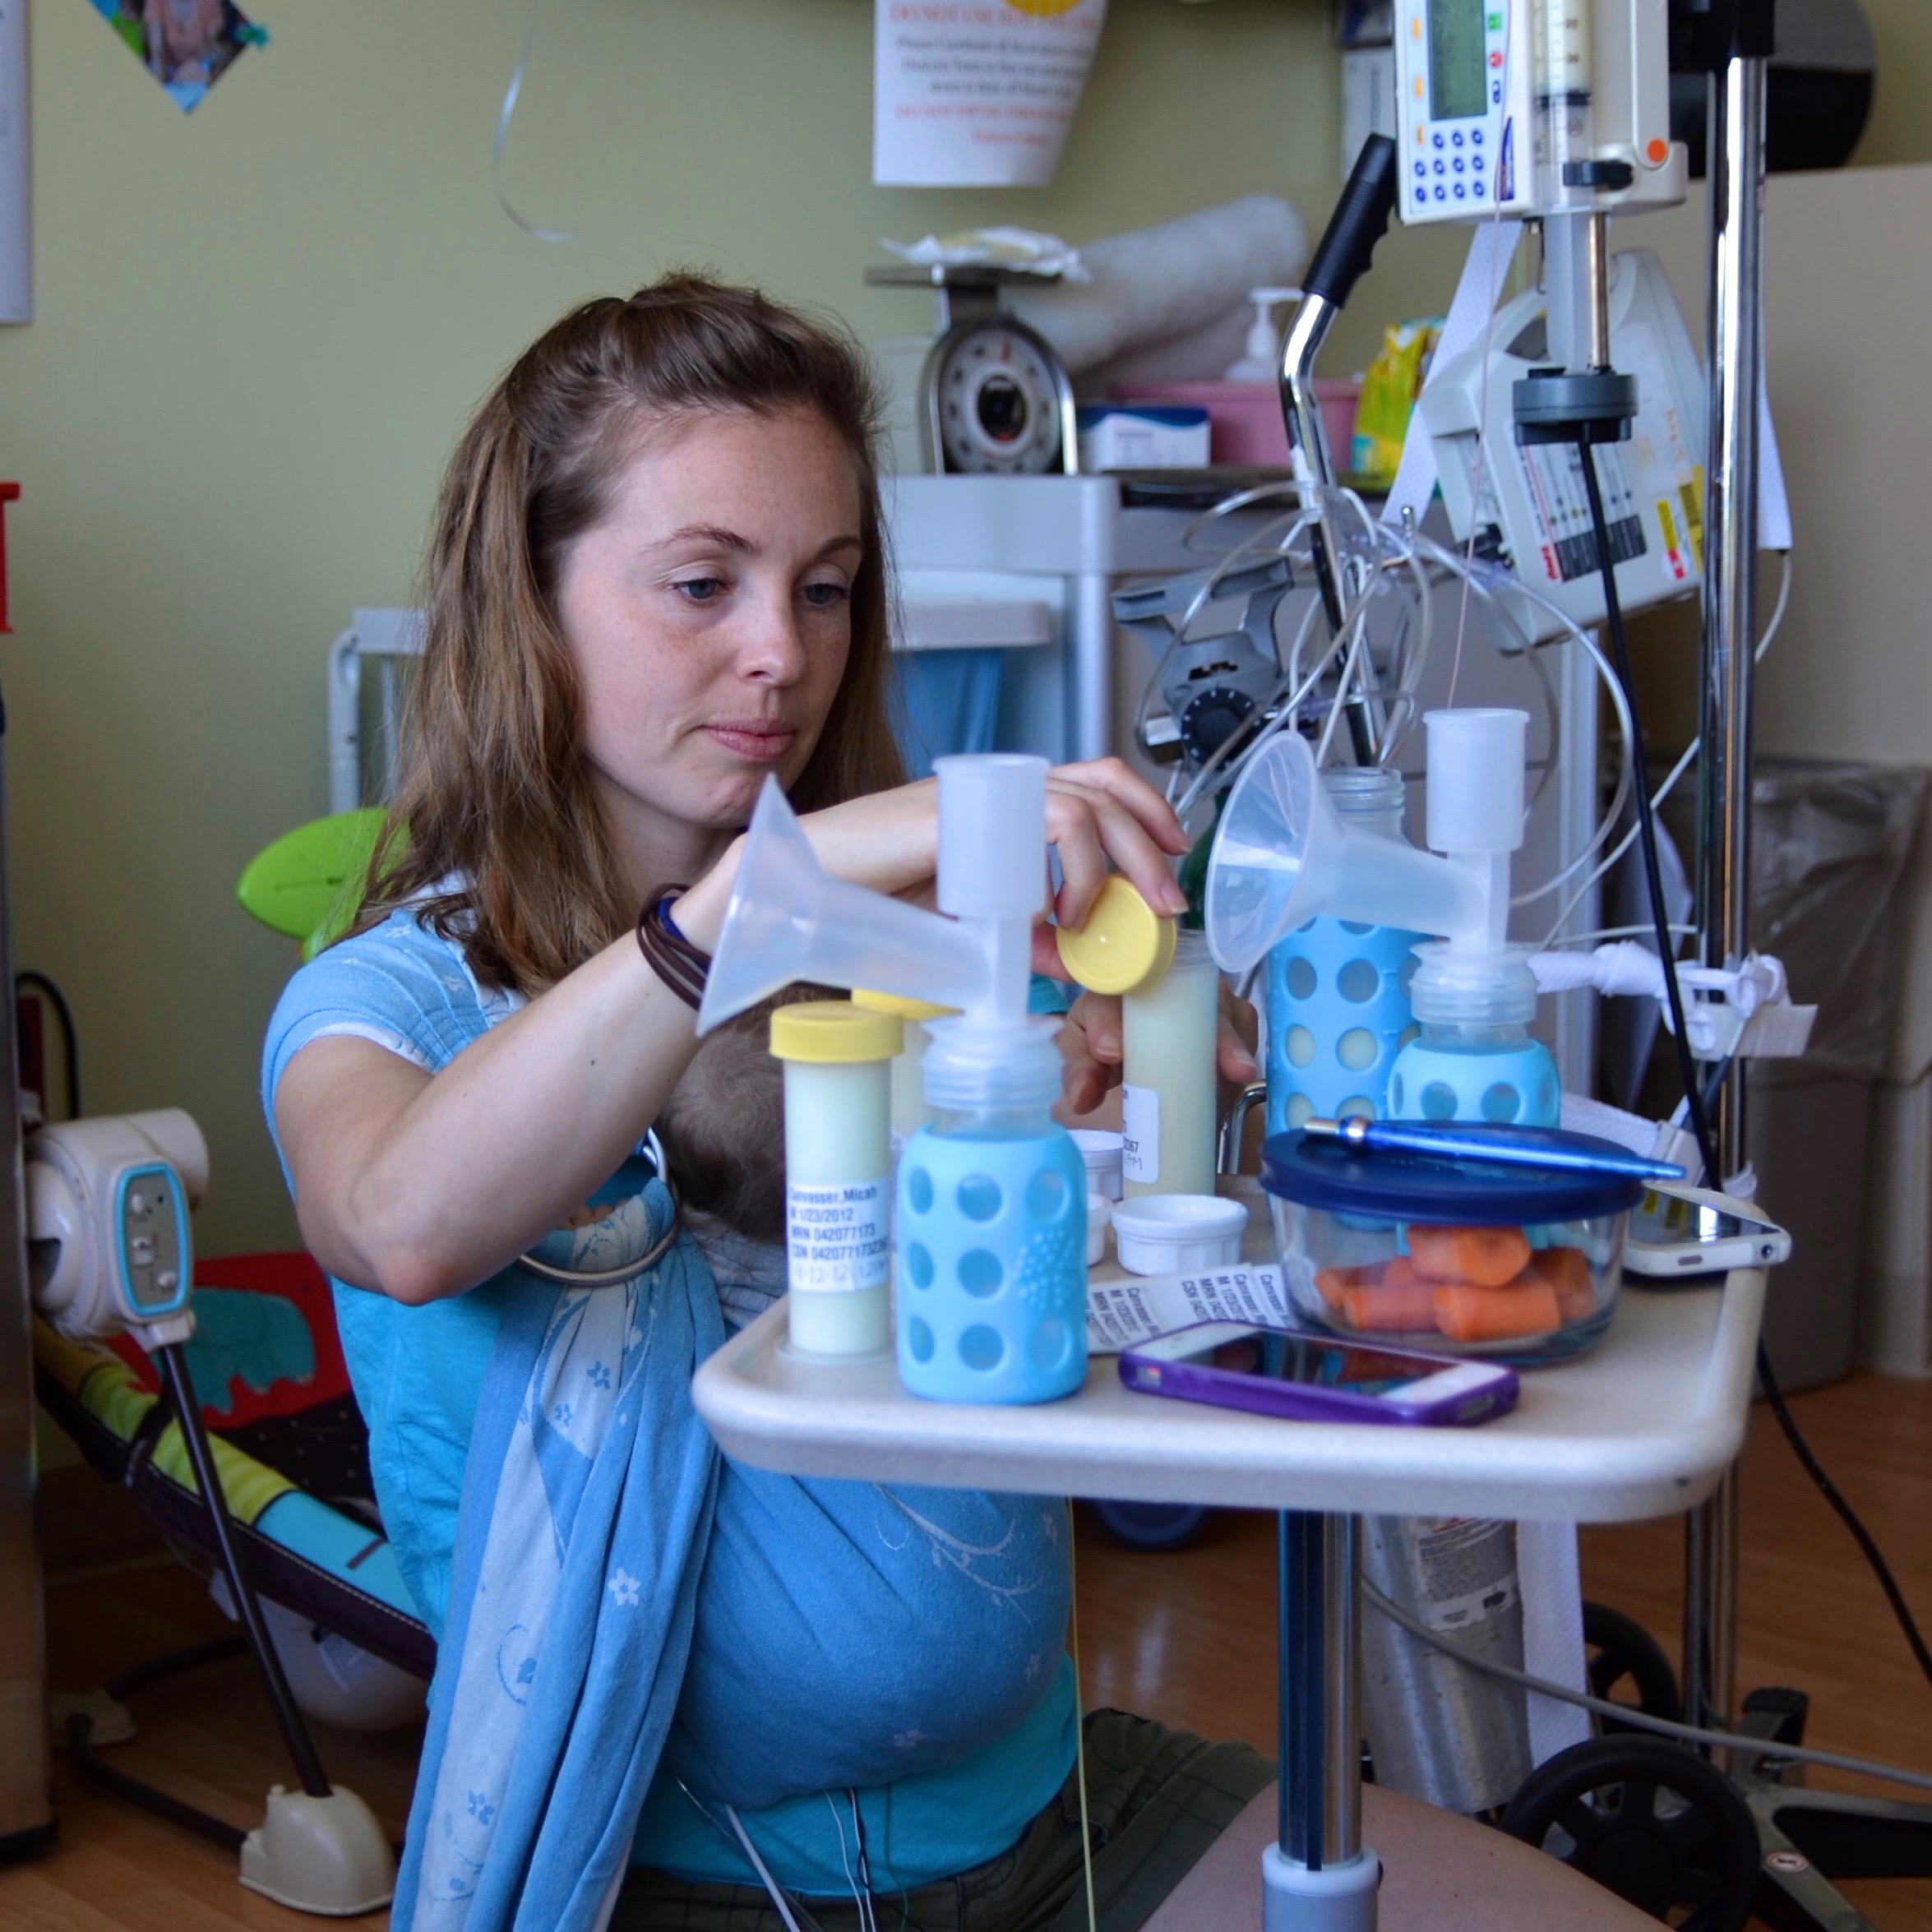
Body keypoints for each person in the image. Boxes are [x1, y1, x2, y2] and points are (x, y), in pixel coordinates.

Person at [266, 275, 1657, 1932]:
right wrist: (749, 902)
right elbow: (398, 1221)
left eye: (827, 585)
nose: (780, 652)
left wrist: (1119, 1114)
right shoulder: (389, 1002)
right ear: (532, 599)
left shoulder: (919, 960)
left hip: (1051, 1813)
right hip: (687, 1877)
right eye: (701, 582)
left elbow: (1065, 1307)